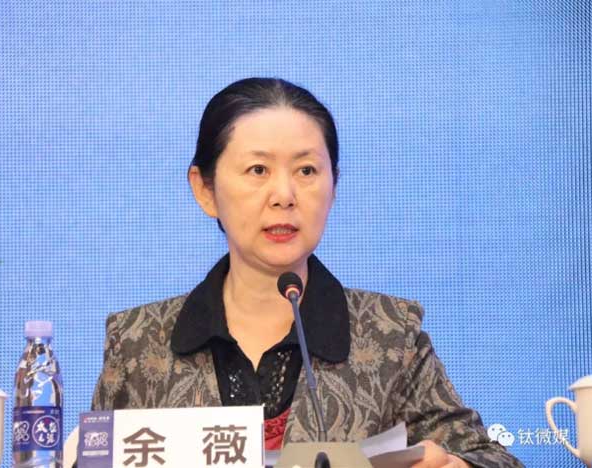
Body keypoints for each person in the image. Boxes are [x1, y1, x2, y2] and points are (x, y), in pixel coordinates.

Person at [91, 78, 523, 467]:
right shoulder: (136, 343)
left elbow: (492, 458)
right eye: (258, 170)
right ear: (205, 190)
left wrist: (457, 465)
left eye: (306, 171)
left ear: (333, 185)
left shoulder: (392, 336)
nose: (284, 195)